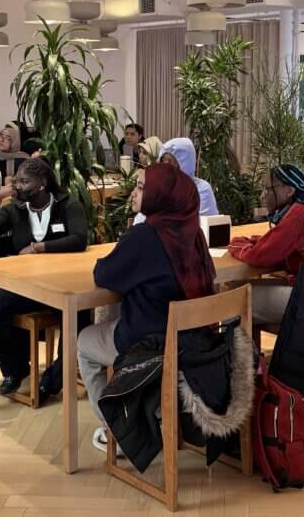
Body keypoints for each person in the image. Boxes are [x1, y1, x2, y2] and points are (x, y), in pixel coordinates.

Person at [78, 162, 216, 453]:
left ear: (160, 196)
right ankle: (144, 409)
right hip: (194, 343)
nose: (133, 194)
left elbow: (104, 275)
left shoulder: (146, 236)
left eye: (141, 188)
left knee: (83, 343)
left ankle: (117, 428)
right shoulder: (194, 235)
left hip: (150, 346)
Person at [0, 158, 89, 396]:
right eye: (17, 181)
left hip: (62, 283)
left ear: (42, 183)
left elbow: (79, 239)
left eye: (25, 181)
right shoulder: (15, 210)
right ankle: (15, 369)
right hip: (25, 286)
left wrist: (39, 247)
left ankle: (56, 376)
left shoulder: (67, 204)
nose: (19, 186)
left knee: (79, 315)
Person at [228, 164, 304, 323]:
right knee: (238, 288)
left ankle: (237, 348)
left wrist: (236, 244)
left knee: (230, 298)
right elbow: (281, 242)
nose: (263, 196)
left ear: (289, 191)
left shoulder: (299, 213)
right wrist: (257, 241)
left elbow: (259, 256)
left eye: (268, 189)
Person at [131, 137, 218, 224]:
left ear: (185, 163)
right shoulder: (158, 187)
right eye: (163, 160)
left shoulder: (201, 189)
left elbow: (198, 225)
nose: (166, 166)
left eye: (170, 161)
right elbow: (141, 219)